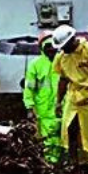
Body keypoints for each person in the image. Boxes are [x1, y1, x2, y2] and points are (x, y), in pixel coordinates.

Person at [53, 25, 88, 167]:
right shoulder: (61, 57)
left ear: (72, 40)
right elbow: (63, 79)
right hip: (74, 98)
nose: (63, 49)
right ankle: (74, 164)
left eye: (65, 45)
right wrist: (58, 102)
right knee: (69, 129)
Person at [23, 32, 64, 164]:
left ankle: (64, 163)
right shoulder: (35, 65)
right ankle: (50, 165)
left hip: (63, 108)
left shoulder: (64, 61)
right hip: (43, 111)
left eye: (53, 45)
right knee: (48, 140)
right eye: (48, 46)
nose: (51, 49)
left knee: (64, 138)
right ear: (42, 48)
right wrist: (29, 107)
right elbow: (29, 88)